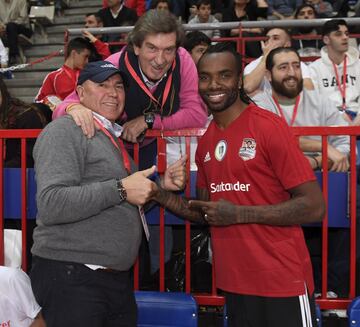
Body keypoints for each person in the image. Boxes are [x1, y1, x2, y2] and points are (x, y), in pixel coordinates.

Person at [152, 42, 325, 327]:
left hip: (281, 278)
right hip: (235, 281)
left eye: (224, 75)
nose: (214, 84)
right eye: (205, 77)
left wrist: (241, 214)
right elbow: (207, 212)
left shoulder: (269, 126)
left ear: (239, 80)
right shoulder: (205, 142)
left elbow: (314, 206)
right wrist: (160, 194)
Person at [30, 61, 186, 326]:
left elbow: (122, 202)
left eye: (118, 86)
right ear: (80, 92)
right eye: (102, 85)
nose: (113, 93)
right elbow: (52, 203)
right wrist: (121, 189)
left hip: (110, 279)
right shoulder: (64, 131)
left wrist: (159, 187)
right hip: (74, 276)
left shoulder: (110, 137)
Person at [252, 47, 349, 172]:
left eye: (296, 66)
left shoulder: (321, 102)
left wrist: (316, 162)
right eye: (283, 67)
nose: (292, 73)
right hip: (273, 178)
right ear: (269, 75)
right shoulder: (258, 105)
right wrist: (323, 147)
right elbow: (271, 141)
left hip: (318, 176)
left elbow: (346, 144)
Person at [309, 19, 360, 123]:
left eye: (346, 34)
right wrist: (338, 116)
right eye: (338, 34)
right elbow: (315, 102)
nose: (345, 37)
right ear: (326, 39)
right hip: (329, 118)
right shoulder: (314, 68)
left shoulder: (358, 64)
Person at [243, 27, 315, 95]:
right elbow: (248, 87)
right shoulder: (254, 64)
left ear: (287, 44)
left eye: (275, 38)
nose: (269, 41)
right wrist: (265, 57)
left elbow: (309, 90)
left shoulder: (298, 64)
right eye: (267, 39)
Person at [35, 37, 92, 109]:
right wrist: (55, 105)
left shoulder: (88, 75)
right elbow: (39, 101)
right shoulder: (53, 76)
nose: (87, 61)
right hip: (64, 117)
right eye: (85, 56)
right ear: (74, 53)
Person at [0, 0, 32, 65]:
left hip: (22, 27)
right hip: (5, 27)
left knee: (11, 26)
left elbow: (23, 18)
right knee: (9, 28)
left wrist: (7, 25)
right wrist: (2, 26)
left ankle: (13, 54)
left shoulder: (21, 1)